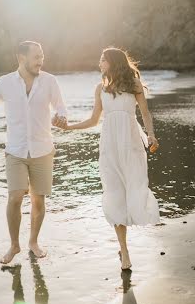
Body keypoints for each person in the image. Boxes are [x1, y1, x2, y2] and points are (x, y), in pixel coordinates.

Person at [53, 47, 160, 271]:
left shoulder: (134, 84)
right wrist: (69, 127)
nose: (99, 62)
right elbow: (93, 120)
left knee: (134, 188)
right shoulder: (100, 89)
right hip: (110, 147)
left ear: (112, 62)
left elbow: (145, 113)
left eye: (102, 59)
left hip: (131, 145)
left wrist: (150, 135)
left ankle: (126, 245)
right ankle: (125, 251)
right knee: (115, 194)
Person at [0, 41, 67, 265]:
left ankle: (33, 242)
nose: (41, 61)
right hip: (16, 151)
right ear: (21, 58)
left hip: (43, 150)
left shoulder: (50, 81)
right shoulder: (5, 83)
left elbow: (61, 107)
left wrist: (61, 116)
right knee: (15, 196)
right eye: (36, 57)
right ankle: (14, 245)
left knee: (39, 200)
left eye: (42, 56)